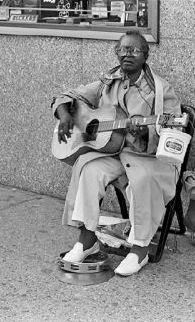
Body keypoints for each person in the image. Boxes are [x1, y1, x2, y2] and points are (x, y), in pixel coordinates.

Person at [51, 30, 181, 276]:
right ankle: (87, 240)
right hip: (113, 154)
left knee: (143, 179)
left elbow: (172, 134)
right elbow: (65, 96)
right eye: (122, 50)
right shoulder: (108, 81)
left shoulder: (161, 90)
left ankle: (139, 249)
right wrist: (66, 115)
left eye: (133, 50)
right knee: (88, 168)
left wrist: (143, 133)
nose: (126, 55)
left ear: (146, 55)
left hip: (145, 157)